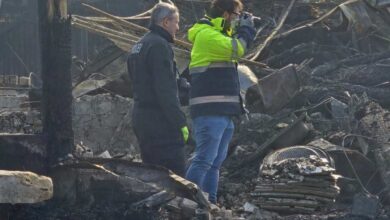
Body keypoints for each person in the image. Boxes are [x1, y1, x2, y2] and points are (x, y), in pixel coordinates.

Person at [185, 0, 255, 204]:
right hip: (210, 111)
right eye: (236, 14)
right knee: (204, 159)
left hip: (223, 111)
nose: (236, 19)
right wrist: (246, 30)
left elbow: (235, 45)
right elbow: (238, 49)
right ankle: (185, 202)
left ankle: (209, 204)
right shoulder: (207, 35)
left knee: (214, 163)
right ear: (225, 14)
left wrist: (244, 28)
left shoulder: (219, 35)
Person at [127, 2, 189, 177]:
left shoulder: (138, 46)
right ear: (165, 22)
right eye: (176, 22)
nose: (178, 28)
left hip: (141, 118)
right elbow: (165, 91)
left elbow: (134, 80)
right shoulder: (160, 46)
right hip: (160, 122)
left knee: (152, 175)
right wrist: (180, 122)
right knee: (174, 178)